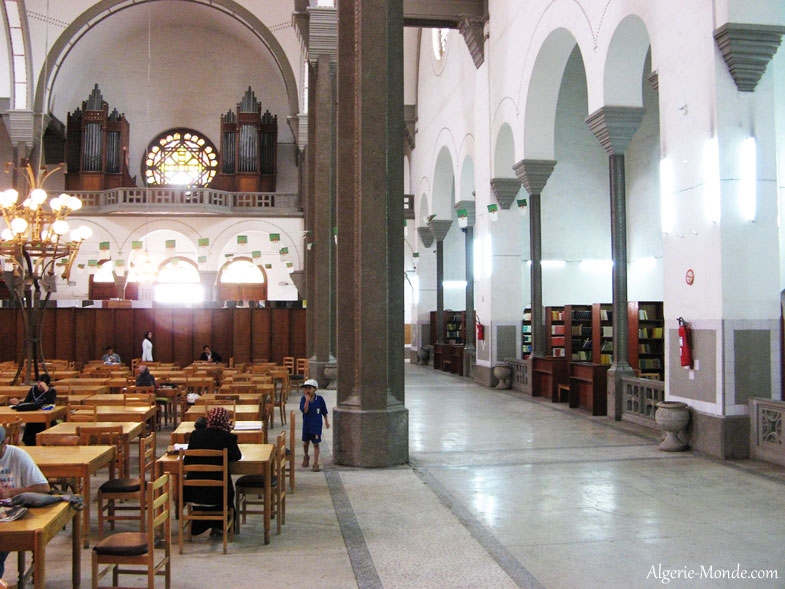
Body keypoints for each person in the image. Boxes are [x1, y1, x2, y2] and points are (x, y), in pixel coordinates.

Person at [0, 424, 51, 577]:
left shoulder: (18, 456)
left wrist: (11, 492)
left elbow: (44, 488)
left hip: (13, 517)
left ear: (5, 442)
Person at [184, 407, 241, 537]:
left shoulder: (195, 435)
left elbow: (187, 461)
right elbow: (236, 457)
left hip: (194, 492)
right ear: (225, 421)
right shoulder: (228, 437)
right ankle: (220, 526)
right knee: (225, 485)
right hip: (219, 494)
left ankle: (200, 524)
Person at [9, 375, 57, 446]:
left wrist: (46, 390)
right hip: (33, 418)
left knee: (48, 424)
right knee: (30, 429)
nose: (39, 386)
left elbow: (51, 402)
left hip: (46, 418)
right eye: (39, 383)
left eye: (42, 385)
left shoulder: (51, 391)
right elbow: (26, 402)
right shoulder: (33, 389)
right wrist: (18, 403)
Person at [300, 378, 329, 472]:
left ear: (315, 389)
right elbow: (305, 410)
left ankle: (316, 462)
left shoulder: (320, 399)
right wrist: (307, 401)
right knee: (306, 443)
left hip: (316, 426)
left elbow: (324, 411)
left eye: (309, 388)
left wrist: (326, 421)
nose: (307, 390)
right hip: (307, 425)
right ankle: (306, 456)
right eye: (306, 389)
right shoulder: (303, 399)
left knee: (316, 444)